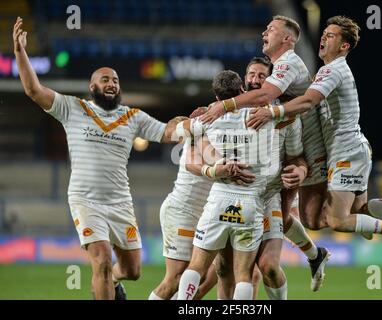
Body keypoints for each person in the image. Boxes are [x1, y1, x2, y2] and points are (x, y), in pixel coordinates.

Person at [13, 17, 185, 300]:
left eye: (115, 80)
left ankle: (113, 282)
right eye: (105, 79)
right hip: (85, 199)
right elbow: (34, 90)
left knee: (132, 270)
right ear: (92, 86)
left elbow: (167, 132)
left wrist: (195, 121)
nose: (112, 84)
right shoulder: (73, 108)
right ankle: (105, 283)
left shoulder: (133, 116)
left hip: (120, 201)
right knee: (102, 260)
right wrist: (21, 52)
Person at [247, 16, 382, 261]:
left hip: (346, 152)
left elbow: (308, 101)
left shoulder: (333, 70)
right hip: (351, 150)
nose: (324, 38)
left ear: (344, 46)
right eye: (324, 33)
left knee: (338, 220)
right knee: (358, 212)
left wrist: (272, 111)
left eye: (331, 35)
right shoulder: (328, 71)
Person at [199, 15, 330, 288]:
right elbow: (198, 142)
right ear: (244, 82)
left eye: (263, 76)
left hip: (270, 192)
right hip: (238, 196)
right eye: (252, 76)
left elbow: (297, 157)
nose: (258, 80)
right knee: (228, 269)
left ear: (274, 84)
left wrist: (300, 170)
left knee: (266, 266)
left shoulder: (281, 115)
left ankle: (314, 254)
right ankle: (314, 254)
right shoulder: (238, 113)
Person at [176, 70, 282, 300]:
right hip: (251, 201)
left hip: (219, 197)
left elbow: (189, 151)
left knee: (196, 266)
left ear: (216, 98)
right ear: (243, 90)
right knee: (243, 274)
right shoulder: (262, 115)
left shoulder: (207, 121)